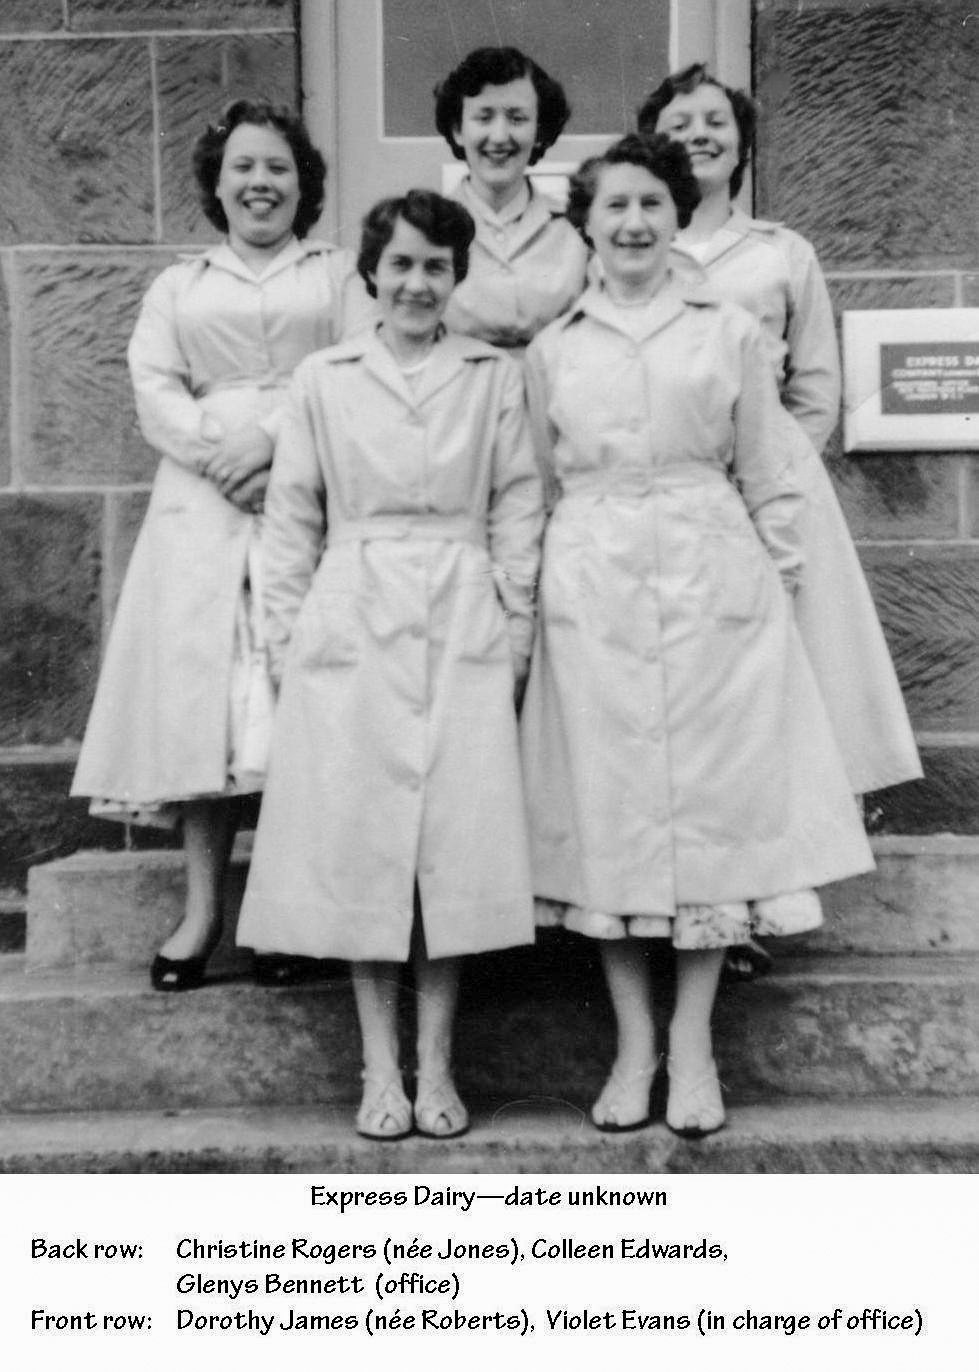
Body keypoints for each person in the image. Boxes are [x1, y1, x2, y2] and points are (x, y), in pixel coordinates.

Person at [520, 133, 875, 1138]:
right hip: (591, 591)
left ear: (677, 216)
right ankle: (634, 1045)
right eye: (613, 205)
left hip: (713, 584)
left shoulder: (726, 334)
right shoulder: (555, 348)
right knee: (613, 820)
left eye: (651, 204)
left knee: (709, 821)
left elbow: (769, 472)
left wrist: (776, 586)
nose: (633, 222)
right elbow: (536, 486)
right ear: (583, 221)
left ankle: (695, 1041)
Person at [236, 190, 544, 1141]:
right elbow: (288, 524)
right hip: (351, 611)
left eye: (436, 266)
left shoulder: (492, 378)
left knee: (449, 844)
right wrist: (289, 648)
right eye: (401, 264)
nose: (417, 282)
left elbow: (518, 506)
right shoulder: (323, 379)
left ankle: (438, 1063)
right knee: (364, 844)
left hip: (461, 610)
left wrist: (515, 623)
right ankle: (380, 1067)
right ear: (371, 273)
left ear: (457, 278)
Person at [71, 100, 373, 992]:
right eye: (242, 168)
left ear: (303, 182)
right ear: (216, 182)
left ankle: (283, 913)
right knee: (206, 708)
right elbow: (153, 383)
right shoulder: (181, 285)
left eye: (277, 167)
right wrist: (220, 452)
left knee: (285, 701)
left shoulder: (338, 273)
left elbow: (357, 363)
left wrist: (273, 439)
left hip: (307, 487)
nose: (260, 183)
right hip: (201, 504)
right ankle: (202, 913)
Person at [638, 65, 921, 798]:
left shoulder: (778, 252)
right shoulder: (634, 250)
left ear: (741, 144)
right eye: (677, 125)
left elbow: (816, 388)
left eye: (714, 122)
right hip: (670, 482)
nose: (697, 135)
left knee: (788, 658)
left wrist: (773, 477)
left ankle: (793, 829)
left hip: (770, 487)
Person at [434, 45, 588, 352]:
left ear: (540, 131)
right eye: (484, 117)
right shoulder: (428, 228)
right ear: (458, 130)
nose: (500, 136)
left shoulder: (577, 229)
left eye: (517, 118)